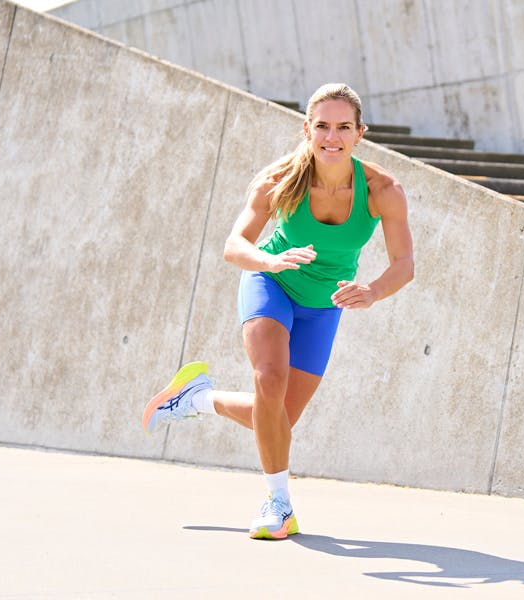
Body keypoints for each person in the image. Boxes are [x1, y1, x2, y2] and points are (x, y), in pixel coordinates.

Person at [141, 83, 414, 540]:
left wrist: (372, 291)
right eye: (322, 125)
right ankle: (279, 504)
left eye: (343, 127)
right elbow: (235, 245)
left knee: (277, 419)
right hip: (271, 283)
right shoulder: (280, 179)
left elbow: (403, 264)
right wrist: (269, 261)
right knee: (269, 379)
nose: (332, 136)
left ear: (359, 133)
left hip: (324, 306)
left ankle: (196, 399)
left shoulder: (383, 190)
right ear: (306, 129)